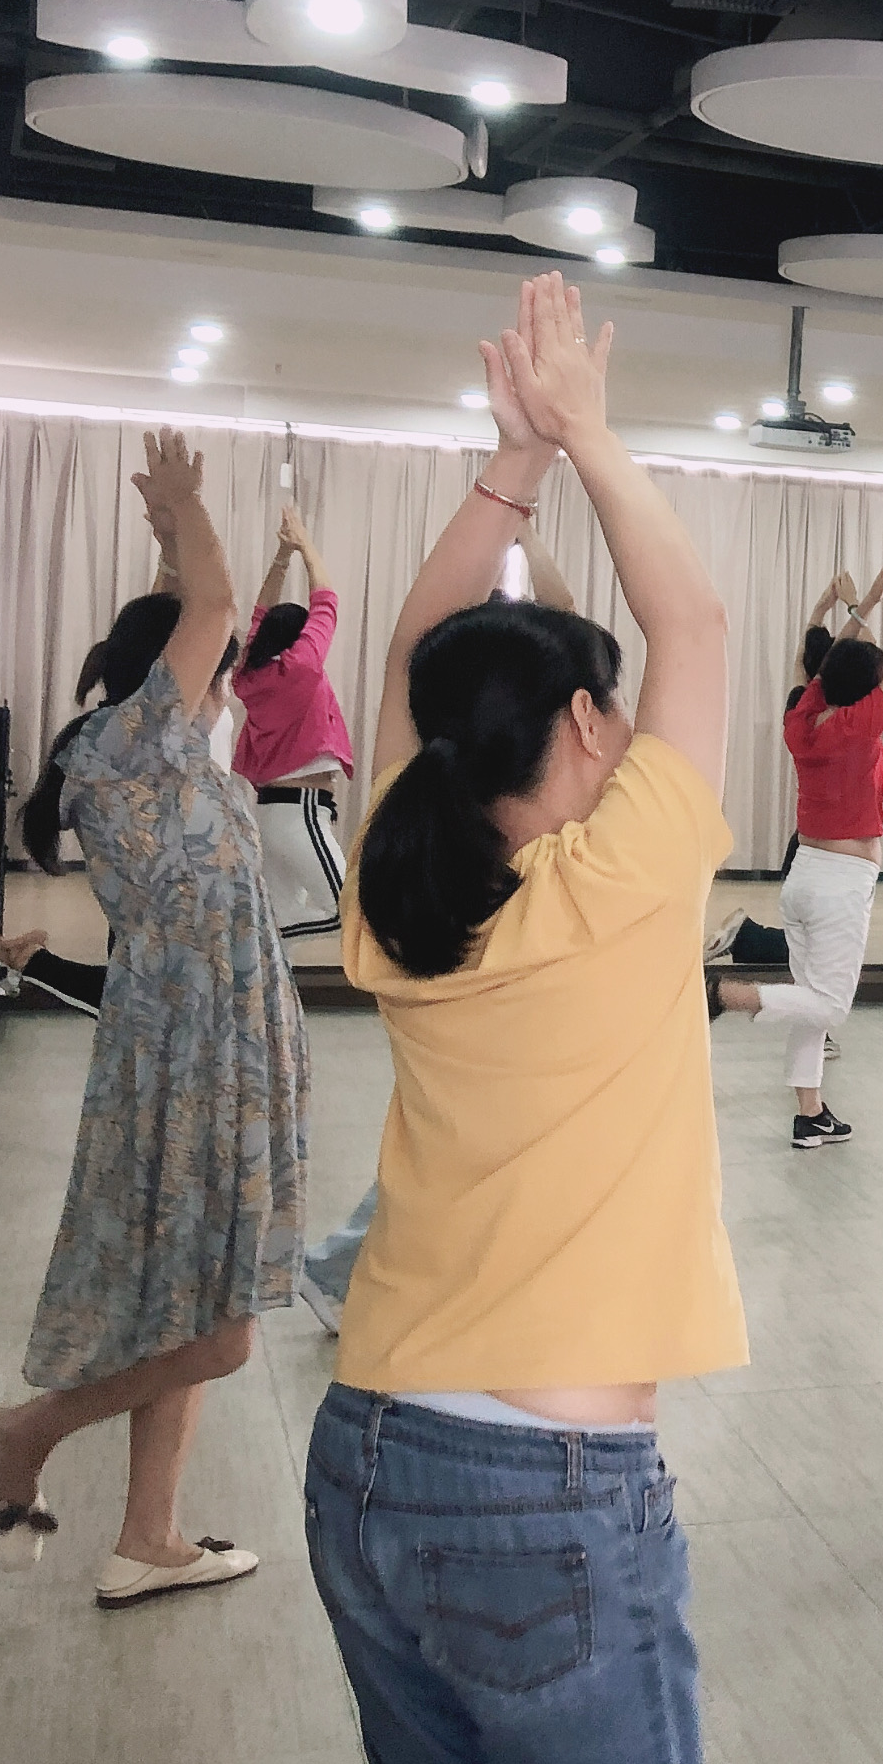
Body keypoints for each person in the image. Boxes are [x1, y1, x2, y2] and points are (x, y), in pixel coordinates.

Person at [223, 272, 739, 1764]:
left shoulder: (400, 904)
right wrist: (577, 429)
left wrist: (518, 463)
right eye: (612, 713)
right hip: (536, 1485)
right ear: (583, 726)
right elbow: (697, 627)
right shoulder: (615, 888)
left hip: (368, 1456)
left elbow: (409, 657)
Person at [0, 429, 307, 1610]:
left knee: (189, 1304)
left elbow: (194, 610)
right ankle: (24, 1436)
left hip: (203, 1051)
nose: (223, 678)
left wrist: (169, 542)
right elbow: (210, 606)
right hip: (194, 1064)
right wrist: (185, 514)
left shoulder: (150, 750)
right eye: (210, 665)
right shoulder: (141, 743)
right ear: (174, 674)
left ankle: (147, 1539)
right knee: (221, 1331)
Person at [293, 532, 580, 1335]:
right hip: (502, 953)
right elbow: (573, 622)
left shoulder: (440, 741)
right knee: (470, 1137)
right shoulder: (498, 759)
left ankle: (346, 1268)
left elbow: (556, 622)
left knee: (459, 1135)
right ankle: (340, 1268)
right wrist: (526, 531)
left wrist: (517, 530)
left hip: (493, 952)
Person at [714, 559, 883, 1148]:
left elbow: (826, 668)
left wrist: (863, 607)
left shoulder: (802, 719)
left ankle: (811, 1113)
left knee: (810, 1000)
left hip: (804, 875)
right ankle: (722, 995)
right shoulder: (858, 728)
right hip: (839, 884)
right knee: (828, 1006)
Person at [231, 499, 356, 948]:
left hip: (273, 811)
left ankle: (258, 960)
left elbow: (258, 614)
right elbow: (326, 602)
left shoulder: (248, 675)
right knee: (348, 911)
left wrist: (282, 557)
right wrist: (304, 545)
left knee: (278, 914)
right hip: (301, 811)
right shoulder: (299, 669)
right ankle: (246, 940)